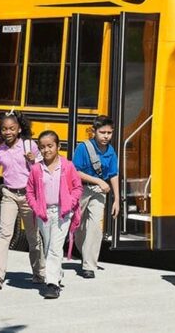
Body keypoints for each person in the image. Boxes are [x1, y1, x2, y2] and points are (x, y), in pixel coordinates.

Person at [0, 110, 45, 289]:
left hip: (28, 196)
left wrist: (33, 161)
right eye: (4, 129)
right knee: (4, 233)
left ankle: (39, 272)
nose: (7, 132)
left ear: (19, 129)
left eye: (11, 128)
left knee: (33, 236)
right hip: (8, 194)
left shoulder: (29, 145)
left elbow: (43, 170)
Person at [26, 130, 82, 299]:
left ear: (58, 146)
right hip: (44, 213)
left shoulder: (67, 166)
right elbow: (29, 191)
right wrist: (36, 208)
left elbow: (78, 187)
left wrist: (70, 204)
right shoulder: (36, 169)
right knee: (49, 245)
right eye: (42, 147)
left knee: (55, 248)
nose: (46, 150)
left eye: (50, 146)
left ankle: (52, 284)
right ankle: (57, 274)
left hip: (62, 212)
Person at [72, 115, 120, 279]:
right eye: (102, 132)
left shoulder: (111, 151)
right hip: (81, 190)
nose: (106, 136)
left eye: (109, 133)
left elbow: (114, 174)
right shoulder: (83, 148)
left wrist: (117, 199)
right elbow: (76, 171)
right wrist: (98, 180)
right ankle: (84, 253)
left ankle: (89, 265)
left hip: (99, 192)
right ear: (94, 132)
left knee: (95, 227)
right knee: (77, 227)